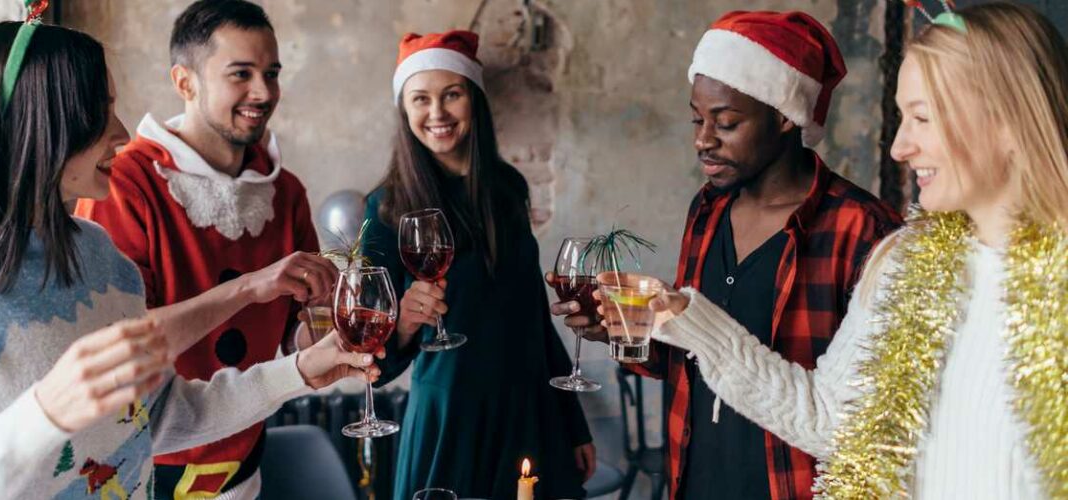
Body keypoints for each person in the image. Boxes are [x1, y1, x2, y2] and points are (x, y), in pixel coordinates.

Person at [0, 20, 376, 499]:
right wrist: (46, 415)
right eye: (98, 111)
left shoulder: (99, 259)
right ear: (33, 124)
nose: (123, 134)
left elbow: (153, 420)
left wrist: (300, 371)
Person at [614, 3, 1068, 498]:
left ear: (1006, 120)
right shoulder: (904, 264)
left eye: (922, 117)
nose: (898, 147)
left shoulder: (867, 229)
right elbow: (832, 418)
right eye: (901, 117)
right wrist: (678, 319)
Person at [551, 11, 901, 500]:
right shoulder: (708, 209)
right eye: (698, 119)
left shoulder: (863, 230)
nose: (702, 140)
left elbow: (862, 417)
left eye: (727, 123)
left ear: (784, 116)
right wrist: (625, 331)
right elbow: (691, 362)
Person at [74, 1, 324, 496]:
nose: (263, 92)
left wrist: (328, 327)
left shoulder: (287, 191)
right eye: (241, 74)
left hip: (244, 468)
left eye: (271, 73)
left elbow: (300, 331)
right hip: (139, 471)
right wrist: (251, 288)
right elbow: (118, 348)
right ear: (184, 82)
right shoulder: (125, 182)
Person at [360, 31, 594, 500]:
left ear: (475, 99)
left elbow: (533, 314)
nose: (437, 113)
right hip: (450, 420)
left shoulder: (507, 188)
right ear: (404, 112)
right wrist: (404, 321)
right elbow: (373, 365)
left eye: (452, 94)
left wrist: (571, 421)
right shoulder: (385, 208)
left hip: (529, 411)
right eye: (420, 99)